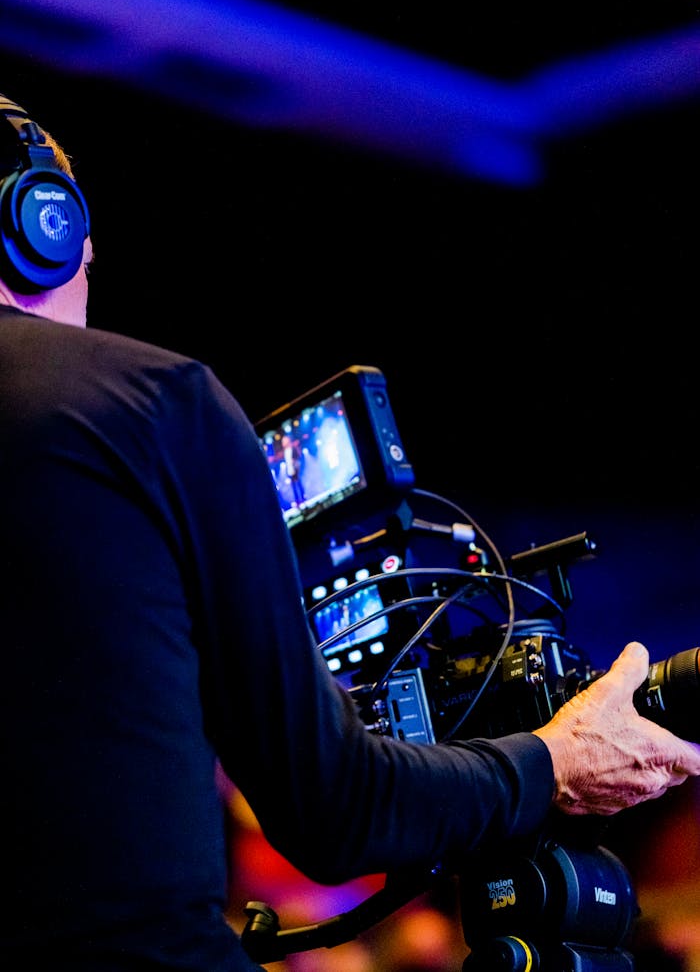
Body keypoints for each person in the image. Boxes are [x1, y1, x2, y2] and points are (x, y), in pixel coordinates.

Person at [1, 88, 700, 971]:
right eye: (88, 267)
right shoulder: (153, 402)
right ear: (40, 225)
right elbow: (335, 809)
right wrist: (553, 761)